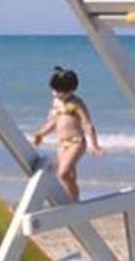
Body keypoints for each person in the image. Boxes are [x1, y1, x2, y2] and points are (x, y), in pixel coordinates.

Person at [30, 65, 100, 201]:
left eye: (59, 91)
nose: (55, 93)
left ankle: (74, 203)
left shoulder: (76, 104)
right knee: (70, 176)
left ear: (71, 90)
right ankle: (71, 200)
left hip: (76, 142)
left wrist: (94, 145)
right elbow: (52, 123)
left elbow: (87, 124)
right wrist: (40, 134)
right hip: (62, 144)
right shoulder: (56, 103)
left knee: (63, 173)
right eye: (54, 90)